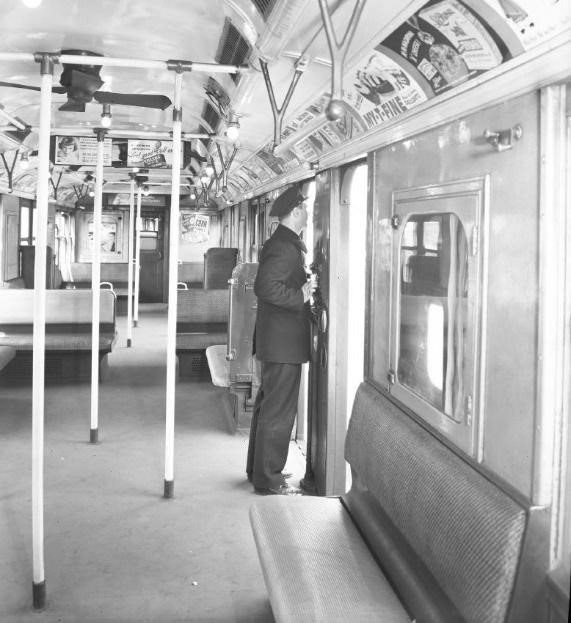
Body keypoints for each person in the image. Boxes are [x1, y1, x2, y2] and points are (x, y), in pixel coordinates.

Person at [246, 185, 315, 496]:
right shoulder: (284, 248)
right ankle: (269, 480)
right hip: (283, 343)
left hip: (277, 342)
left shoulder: (284, 244)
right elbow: (265, 286)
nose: (309, 215)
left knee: (267, 408)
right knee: (278, 412)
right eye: (306, 210)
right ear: (296, 212)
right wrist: (299, 296)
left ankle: (258, 470)